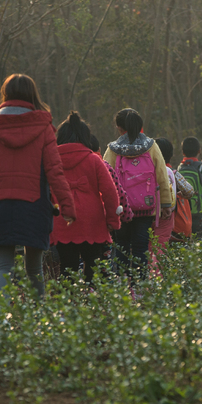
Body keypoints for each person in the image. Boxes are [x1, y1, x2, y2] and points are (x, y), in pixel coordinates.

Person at [0, 73, 76, 299]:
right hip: (34, 205)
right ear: (32, 95)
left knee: (3, 268)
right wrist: (67, 207)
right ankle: (36, 322)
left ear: (6, 94)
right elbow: (55, 171)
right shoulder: (43, 127)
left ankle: (2, 323)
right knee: (34, 268)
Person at [50, 112, 121, 285]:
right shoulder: (93, 160)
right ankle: (92, 304)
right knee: (93, 267)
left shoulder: (51, 162)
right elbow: (110, 192)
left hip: (62, 220)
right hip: (92, 221)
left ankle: (68, 307)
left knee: (67, 268)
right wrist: (113, 220)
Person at [103, 108, 171, 283]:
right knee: (141, 248)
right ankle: (139, 286)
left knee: (121, 247)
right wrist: (165, 204)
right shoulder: (151, 146)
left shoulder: (113, 149)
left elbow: (105, 180)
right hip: (146, 208)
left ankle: (124, 287)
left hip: (121, 209)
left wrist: (107, 210)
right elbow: (162, 176)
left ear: (119, 127)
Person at [149, 137, 193, 274]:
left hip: (148, 214)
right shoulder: (173, 173)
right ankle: (160, 275)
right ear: (171, 155)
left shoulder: (148, 171)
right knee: (163, 247)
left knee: (149, 246)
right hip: (168, 219)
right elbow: (189, 191)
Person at [178, 136, 202, 237]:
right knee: (201, 237)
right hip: (199, 209)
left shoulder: (179, 168)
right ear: (199, 151)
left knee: (185, 237)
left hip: (183, 209)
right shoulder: (201, 167)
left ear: (183, 152)